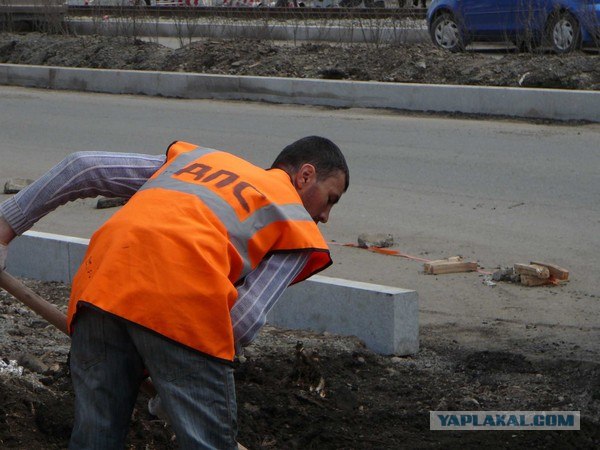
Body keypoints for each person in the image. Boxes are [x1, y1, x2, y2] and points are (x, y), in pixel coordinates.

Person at [0, 136, 349, 449]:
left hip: (101, 288)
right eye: (330, 198)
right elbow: (245, 318)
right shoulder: (296, 223)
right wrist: (181, 383)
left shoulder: (196, 162)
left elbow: (83, 167)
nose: (326, 215)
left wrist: (4, 227)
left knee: (96, 436)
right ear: (305, 175)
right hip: (186, 309)